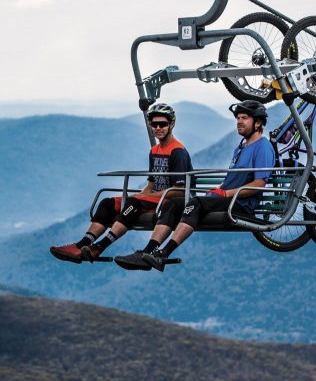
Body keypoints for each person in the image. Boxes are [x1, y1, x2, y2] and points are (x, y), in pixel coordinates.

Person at [115, 100, 274, 272]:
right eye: (238, 118)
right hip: (225, 198)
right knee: (174, 203)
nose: (239, 122)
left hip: (241, 204)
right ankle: (147, 252)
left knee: (195, 203)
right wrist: (220, 191)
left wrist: (227, 194)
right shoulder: (241, 147)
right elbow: (234, 179)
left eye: (244, 118)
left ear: (257, 123)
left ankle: (163, 254)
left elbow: (259, 184)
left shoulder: (263, 147)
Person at [50, 103, 193, 263]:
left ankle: (99, 247)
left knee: (133, 202)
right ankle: (82, 244)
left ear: (171, 124)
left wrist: (146, 196)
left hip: (170, 201)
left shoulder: (177, 152)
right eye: (154, 124)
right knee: (108, 203)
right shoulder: (154, 151)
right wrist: (143, 194)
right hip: (154, 199)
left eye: (163, 124)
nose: (158, 128)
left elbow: (180, 190)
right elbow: (151, 183)